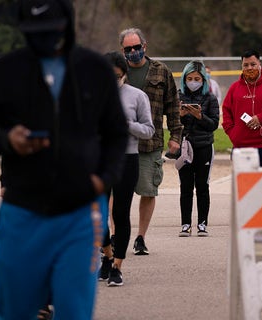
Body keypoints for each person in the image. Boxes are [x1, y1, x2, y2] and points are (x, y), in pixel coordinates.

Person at [0, 0, 128, 318]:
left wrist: (101, 180)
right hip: (21, 212)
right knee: (16, 310)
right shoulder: (1, 73)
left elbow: (116, 135)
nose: (43, 39)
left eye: (50, 31)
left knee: (73, 310)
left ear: (66, 25)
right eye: (33, 32)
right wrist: (7, 140)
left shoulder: (93, 70)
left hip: (79, 214)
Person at [119, 27, 183, 256]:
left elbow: (173, 106)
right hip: (119, 145)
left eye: (137, 47)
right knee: (117, 193)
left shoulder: (160, 71)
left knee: (148, 190)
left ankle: (140, 237)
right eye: (128, 49)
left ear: (144, 46)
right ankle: (117, 236)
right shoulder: (117, 71)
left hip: (149, 142)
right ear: (122, 50)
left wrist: (176, 136)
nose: (133, 52)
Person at [98, 51, 155, 286]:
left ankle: (117, 267)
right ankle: (107, 256)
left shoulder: (137, 96)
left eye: (118, 77)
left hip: (127, 159)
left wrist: (128, 125)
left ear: (125, 75)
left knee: (120, 213)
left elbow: (149, 130)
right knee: (99, 214)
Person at [177, 60, 220, 236]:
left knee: (202, 186)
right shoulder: (178, 97)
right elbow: (174, 124)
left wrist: (200, 116)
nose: (193, 81)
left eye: (197, 78)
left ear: (203, 80)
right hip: (185, 147)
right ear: (184, 79)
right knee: (186, 188)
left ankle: (202, 224)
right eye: (189, 78)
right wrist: (180, 116)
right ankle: (185, 224)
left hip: (204, 147)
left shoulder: (210, 98)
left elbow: (214, 124)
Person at [222, 49, 262, 166]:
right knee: (242, 184)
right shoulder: (234, 88)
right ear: (242, 66)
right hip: (240, 147)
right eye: (245, 65)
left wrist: (261, 118)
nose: (249, 68)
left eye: (253, 64)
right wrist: (233, 133)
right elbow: (226, 111)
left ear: (259, 65)